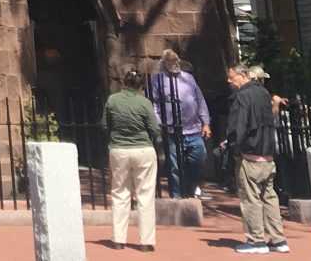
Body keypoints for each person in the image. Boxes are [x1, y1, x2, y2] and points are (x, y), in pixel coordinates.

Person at [222, 64, 289, 255]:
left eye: (232, 77)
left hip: (249, 155)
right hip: (267, 154)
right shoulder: (264, 94)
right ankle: (278, 239)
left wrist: (234, 148)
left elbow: (238, 127)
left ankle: (255, 240)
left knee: (250, 199)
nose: (229, 80)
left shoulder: (242, 97)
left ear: (243, 76)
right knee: (269, 197)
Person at [105, 67, 162, 252]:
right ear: (140, 86)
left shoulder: (112, 100)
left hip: (119, 149)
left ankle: (118, 239)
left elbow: (105, 124)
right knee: (145, 195)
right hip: (143, 150)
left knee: (120, 193)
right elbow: (154, 129)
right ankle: (146, 241)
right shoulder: (145, 103)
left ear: (124, 82)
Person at [149, 48, 212, 199]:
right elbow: (154, 105)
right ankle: (177, 195)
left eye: (177, 59)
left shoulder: (189, 78)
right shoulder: (157, 80)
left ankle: (191, 189)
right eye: (171, 60)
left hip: (193, 129)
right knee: (174, 166)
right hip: (172, 130)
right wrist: (159, 124)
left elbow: (200, 100)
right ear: (164, 63)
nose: (175, 63)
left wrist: (206, 123)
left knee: (199, 160)